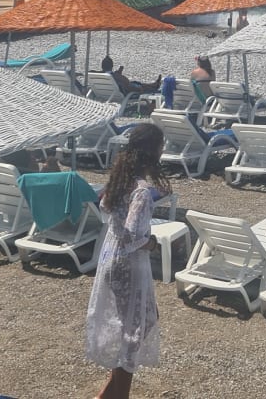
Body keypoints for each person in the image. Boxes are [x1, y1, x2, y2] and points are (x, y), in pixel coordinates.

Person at [85, 122, 169, 399]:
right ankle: (116, 395)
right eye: (161, 146)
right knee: (136, 328)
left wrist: (123, 230)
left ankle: (108, 393)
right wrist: (151, 243)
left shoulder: (121, 179)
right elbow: (132, 236)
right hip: (129, 264)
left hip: (111, 258)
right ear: (153, 152)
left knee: (137, 324)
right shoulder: (141, 191)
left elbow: (104, 206)